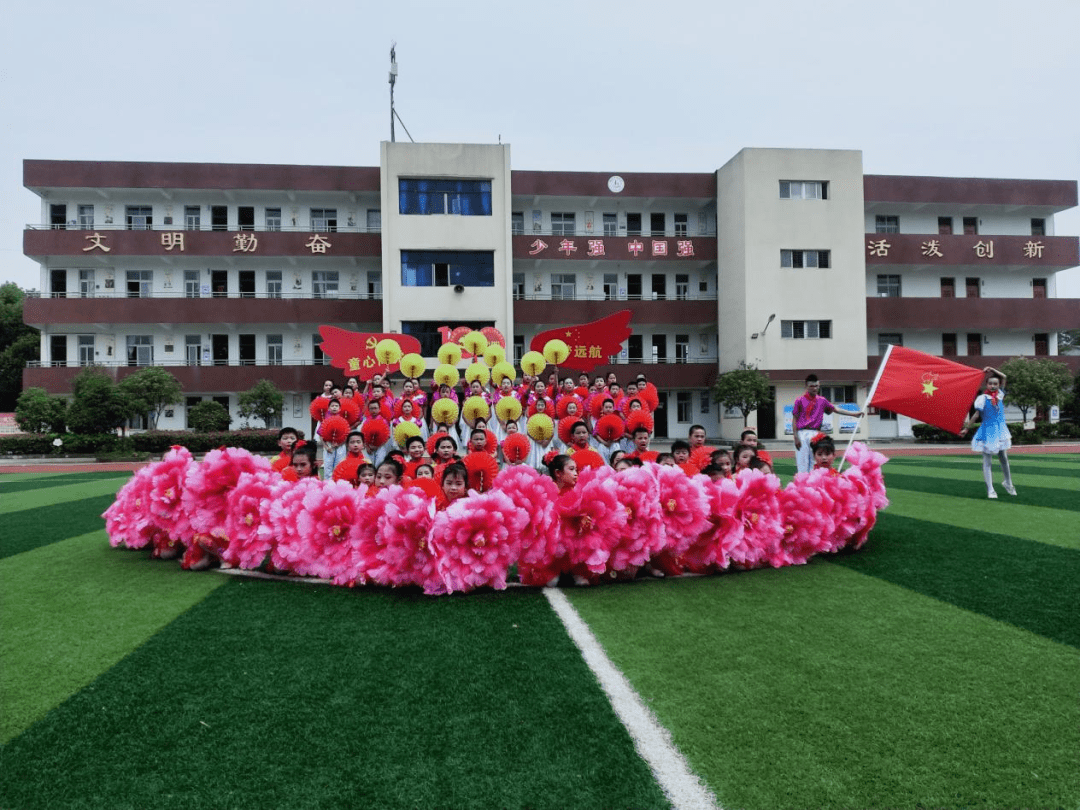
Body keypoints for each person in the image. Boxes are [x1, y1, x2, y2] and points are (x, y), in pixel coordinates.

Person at [961, 366, 1016, 498]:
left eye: (995, 384)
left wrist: (992, 369)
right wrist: (967, 428)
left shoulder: (1000, 395)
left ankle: (1008, 483)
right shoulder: (982, 399)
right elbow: (976, 415)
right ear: (986, 384)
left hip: (1000, 430)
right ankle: (990, 489)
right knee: (987, 461)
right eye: (990, 383)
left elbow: (1004, 377)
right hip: (988, 430)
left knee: (1004, 458)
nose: (993, 386)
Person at [791, 374, 862, 474]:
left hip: (816, 434)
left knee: (814, 462)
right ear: (806, 386)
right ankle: (802, 485)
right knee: (802, 462)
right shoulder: (799, 400)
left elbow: (835, 409)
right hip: (802, 433)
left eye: (816, 386)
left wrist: (854, 414)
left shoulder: (822, 401)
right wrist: (796, 437)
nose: (814, 388)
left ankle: (813, 484)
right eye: (811, 386)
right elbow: (795, 419)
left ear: (819, 386)